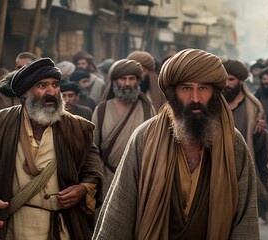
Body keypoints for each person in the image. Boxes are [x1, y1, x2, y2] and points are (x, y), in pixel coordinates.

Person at [93, 49, 259, 239]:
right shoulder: (145, 137)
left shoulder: (233, 142)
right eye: (186, 88)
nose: (195, 98)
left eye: (203, 88)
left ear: (214, 93)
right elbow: (120, 212)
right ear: (173, 94)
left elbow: (245, 220)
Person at [0, 57, 103, 239]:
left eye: (55, 85)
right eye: (42, 86)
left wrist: (83, 189)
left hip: (59, 227)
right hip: (13, 226)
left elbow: (93, 169)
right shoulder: (2, 122)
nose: (52, 92)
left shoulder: (78, 128)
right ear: (25, 93)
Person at [92, 59, 155, 200]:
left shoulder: (147, 109)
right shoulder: (101, 110)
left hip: (138, 180)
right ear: (114, 82)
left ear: (138, 81)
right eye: (123, 79)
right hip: (107, 179)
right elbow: (93, 149)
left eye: (132, 78)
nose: (127, 83)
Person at [222, 58, 268, 223]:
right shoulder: (216, 103)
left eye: (231, 80)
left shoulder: (254, 106)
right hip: (220, 165)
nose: (227, 84)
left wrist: (260, 133)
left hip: (245, 164)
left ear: (241, 81)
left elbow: (258, 146)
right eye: (224, 79)